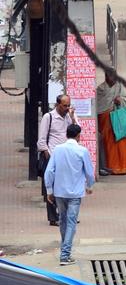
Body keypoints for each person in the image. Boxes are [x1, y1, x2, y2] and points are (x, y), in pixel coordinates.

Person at [43, 124, 95, 266]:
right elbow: (90, 172)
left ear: (66, 134)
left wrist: (49, 190)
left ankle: (65, 249)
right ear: (78, 136)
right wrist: (90, 186)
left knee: (63, 220)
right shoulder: (82, 151)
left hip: (59, 192)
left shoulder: (57, 150)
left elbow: (49, 171)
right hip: (75, 193)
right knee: (71, 222)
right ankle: (65, 255)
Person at [37, 94, 78, 225]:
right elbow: (42, 139)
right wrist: (46, 153)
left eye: (68, 105)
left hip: (67, 156)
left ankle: (66, 215)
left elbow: (77, 131)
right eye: (64, 106)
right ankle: (53, 217)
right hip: (53, 156)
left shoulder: (69, 116)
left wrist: (72, 117)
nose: (67, 108)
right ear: (57, 105)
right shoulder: (48, 117)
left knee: (66, 187)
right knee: (52, 187)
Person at [95, 69, 126, 176]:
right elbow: (99, 106)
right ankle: (111, 167)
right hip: (105, 119)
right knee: (108, 143)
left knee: (121, 142)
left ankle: (124, 167)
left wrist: (120, 100)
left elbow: (125, 100)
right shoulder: (100, 89)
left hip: (118, 120)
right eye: (111, 77)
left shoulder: (119, 87)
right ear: (106, 77)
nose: (114, 79)